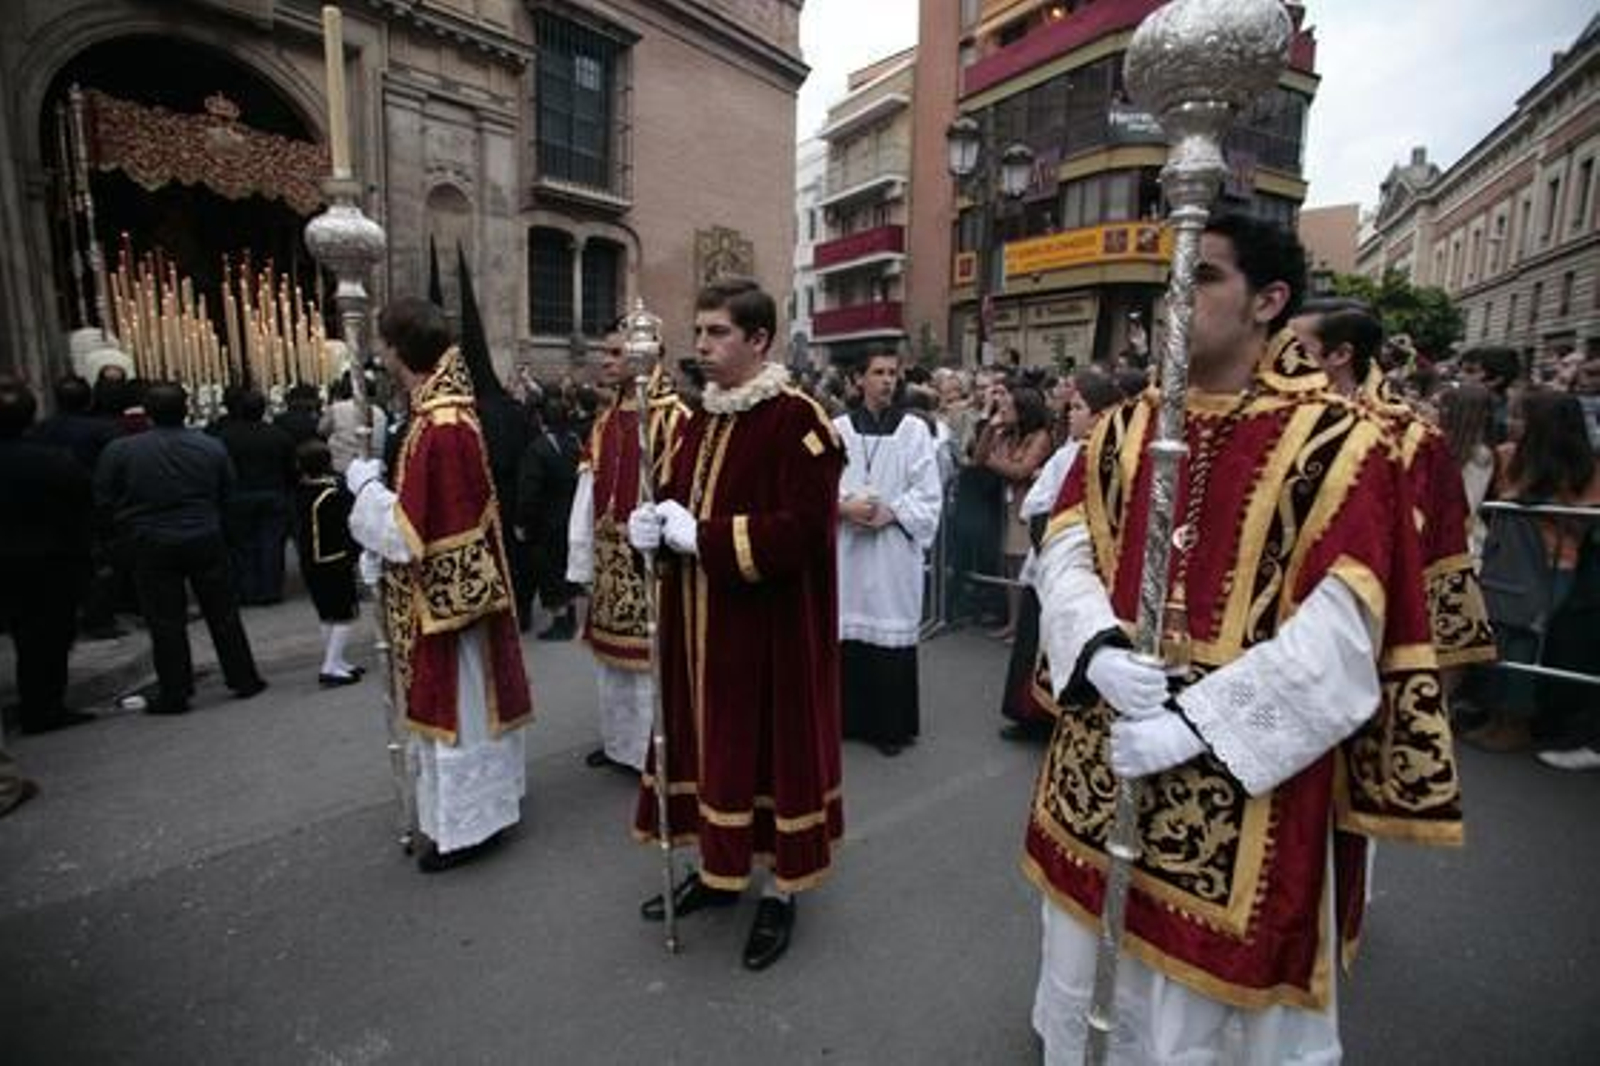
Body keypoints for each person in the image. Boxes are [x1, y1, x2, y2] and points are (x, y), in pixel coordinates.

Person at [1026, 216, 1460, 1063]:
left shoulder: (1342, 443)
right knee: (1085, 968)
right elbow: (1067, 549)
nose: (1172, 303)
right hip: (1104, 755)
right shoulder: (1120, 430)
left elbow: (1347, 628)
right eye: (1168, 283)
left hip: (1242, 783)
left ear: (1269, 301)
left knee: (1201, 1018)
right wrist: (1098, 652)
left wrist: (1199, 723)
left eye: (1204, 280)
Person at [627, 277, 844, 971]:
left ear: (758, 339)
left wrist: (706, 539)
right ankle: (719, 872)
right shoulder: (698, 419)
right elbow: (672, 504)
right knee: (707, 747)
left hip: (767, 631)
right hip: (697, 629)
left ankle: (780, 893)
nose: (701, 346)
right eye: (698, 333)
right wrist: (651, 530)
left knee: (770, 758)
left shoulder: (798, 420)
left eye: (717, 333)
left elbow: (805, 533)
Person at [347, 297, 533, 872]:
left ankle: (472, 825)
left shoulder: (443, 424)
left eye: (383, 343)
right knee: (463, 708)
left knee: (462, 711)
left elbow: (417, 532)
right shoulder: (436, 414)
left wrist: (365, 492)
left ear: (399, 350)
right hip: (438, 599)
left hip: (447, 605)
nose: (379, 353)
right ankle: (471, 816)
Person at [1291, 300, 1495, 676]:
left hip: (1361, 622)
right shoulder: (1270, 419)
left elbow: (1435, 540)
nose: (1279, 356)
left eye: (1294, 347)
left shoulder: (1412, 438)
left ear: (1340, 354)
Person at [95, 382, 267, 716]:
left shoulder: (122, 450)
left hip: (151, 539)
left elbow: (104, 496)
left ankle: (176, 689)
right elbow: (227, 489)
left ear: (147, 413)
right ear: (186, 409)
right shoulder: (209, 447)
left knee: (165, 619)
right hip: (202, 533)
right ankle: (243, 677)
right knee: (223, 612)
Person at [565, 327, 682, 772]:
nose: (606, 361)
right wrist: (580, 556)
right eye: (605, 352)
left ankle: (651, 752)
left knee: (647, 663)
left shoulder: (673, 418)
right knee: (611, 664)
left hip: (647, 560)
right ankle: (618, 744)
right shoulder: (605, 419)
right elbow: (587, 489)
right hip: (608, 557)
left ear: (644, 355)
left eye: (615, 353)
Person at [998, 369, 1121, 741]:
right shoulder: (1066, 455)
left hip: (1093, 572)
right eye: (1071, 407)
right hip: (1053, 560)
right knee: (1037, 642)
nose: (1071, 415)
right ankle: (1029, 714)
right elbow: (1037, 505)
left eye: (1079, 407)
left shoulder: (1116, 457)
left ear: (1101, 415)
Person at [834, 349, 943, 757]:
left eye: (892, 373)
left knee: (890, 626)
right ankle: (849, 719)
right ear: (858, 379)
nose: (887, 380)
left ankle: (889, 727)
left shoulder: (913, 430)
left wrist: (891, 512)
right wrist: (845, 507)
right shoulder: (838, 428)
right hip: (848, 545)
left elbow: (928, 492)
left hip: (893, 545)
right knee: (848, 626)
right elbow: (820, 482)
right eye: (877, 372)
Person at [0, 377, 95, 734]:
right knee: (49, 637)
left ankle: (38, 705)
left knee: (29, 636)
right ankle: (45, 706)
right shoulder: (50, 461)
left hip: (12, 560)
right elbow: (83, 502)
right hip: (50, 561)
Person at [975, 379, 1053, 641]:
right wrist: (990, 428)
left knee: (1021, 563)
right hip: (1007, 505)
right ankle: (1013, 620)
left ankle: (1024, 624)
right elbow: (978, 457)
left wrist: (994, 462)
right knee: (1009, 564)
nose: (1003, 413)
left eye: (1008, 408)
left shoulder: (1040, 437)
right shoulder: (1005, 434)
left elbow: (1022, 471)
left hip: (1026, 507)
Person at [213, 388, 297, 605]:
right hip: (273, 492)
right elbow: (290, 467)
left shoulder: (226, 437)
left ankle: (248, 589)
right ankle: (270, 589)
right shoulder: (278, 435)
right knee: (272, 543)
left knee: (243, 546)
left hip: (238, 495)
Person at [292, 440, 362, 687]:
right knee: (344, 614)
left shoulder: (300, 490)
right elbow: (349, 525)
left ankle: (337, 659)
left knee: (326, 614)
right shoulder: (334, 492)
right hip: (335, 559)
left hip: (310, 561)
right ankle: (330, 666)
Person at [515, 393, 583, 640]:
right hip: (572, 514)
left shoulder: (538, 448)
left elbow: (529, 489)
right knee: (568, 567)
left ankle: (560, 620)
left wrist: (522, 520)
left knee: (551, 571)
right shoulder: (576, 442)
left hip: (546, 520)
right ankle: (571, 616)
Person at [320, 372, 388, 475]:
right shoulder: (380, 412)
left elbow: (321, 430)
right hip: (374, 469)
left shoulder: (337, 408)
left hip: (343, 467)